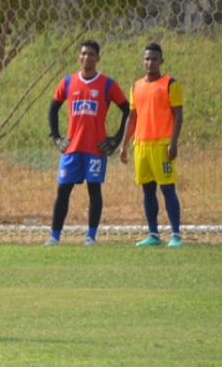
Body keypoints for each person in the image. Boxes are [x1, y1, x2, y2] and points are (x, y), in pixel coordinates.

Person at [44, 40, 130, 246]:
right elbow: (52, 109)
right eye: (83, 54)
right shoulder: (67, 82)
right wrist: (56, 137)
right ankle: (54, 237)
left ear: (98, 58)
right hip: (72, 148)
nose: (86, 57)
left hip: (95, 149)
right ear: (78, 57)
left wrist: (117, 138)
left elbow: (127, 110)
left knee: (94, 191)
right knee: (63, 191)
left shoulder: (108, 84)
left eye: (91, 54)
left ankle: (90, 237)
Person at [120, 43, 184, 247]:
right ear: (143, 61)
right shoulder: (136, 86)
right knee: (147, 190)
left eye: (154, 59)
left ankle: (175, 235)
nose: (150, 62)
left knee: (167, 188)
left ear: (161, 61)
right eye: (147, 59)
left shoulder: (170, 84)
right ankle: (153, 234)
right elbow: (132, 116)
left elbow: (178, 115)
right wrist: (124, 144)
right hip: (141, 145)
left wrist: (173, 143)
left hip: (162, 145)